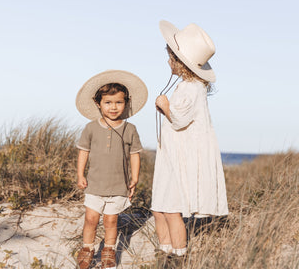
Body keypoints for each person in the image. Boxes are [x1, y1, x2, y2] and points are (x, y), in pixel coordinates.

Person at [151, 20, 229, 266]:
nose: (167, 61)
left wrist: (165, 107)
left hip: (180, 156)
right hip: (172, 152)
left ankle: (178, 255)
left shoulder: (191, 88)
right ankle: (164, 250)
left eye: (170, 57)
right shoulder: (189, 86)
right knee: (159, 206)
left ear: (179, 62)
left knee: (171, 207)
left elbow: (180, 119)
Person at [75, 70, 148, 269]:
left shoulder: (130, 128)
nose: (113, 107)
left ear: (126, 103)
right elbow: (84, 151)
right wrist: (80, 174)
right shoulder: (91, 127)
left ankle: (108, 251)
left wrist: (135, 178)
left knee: (111, 221)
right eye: (108, 102)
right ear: (98, 103)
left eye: (118, 102)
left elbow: (134, 154)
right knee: (91, 219)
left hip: (118, 185)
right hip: (95, 184)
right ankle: (87, 249)